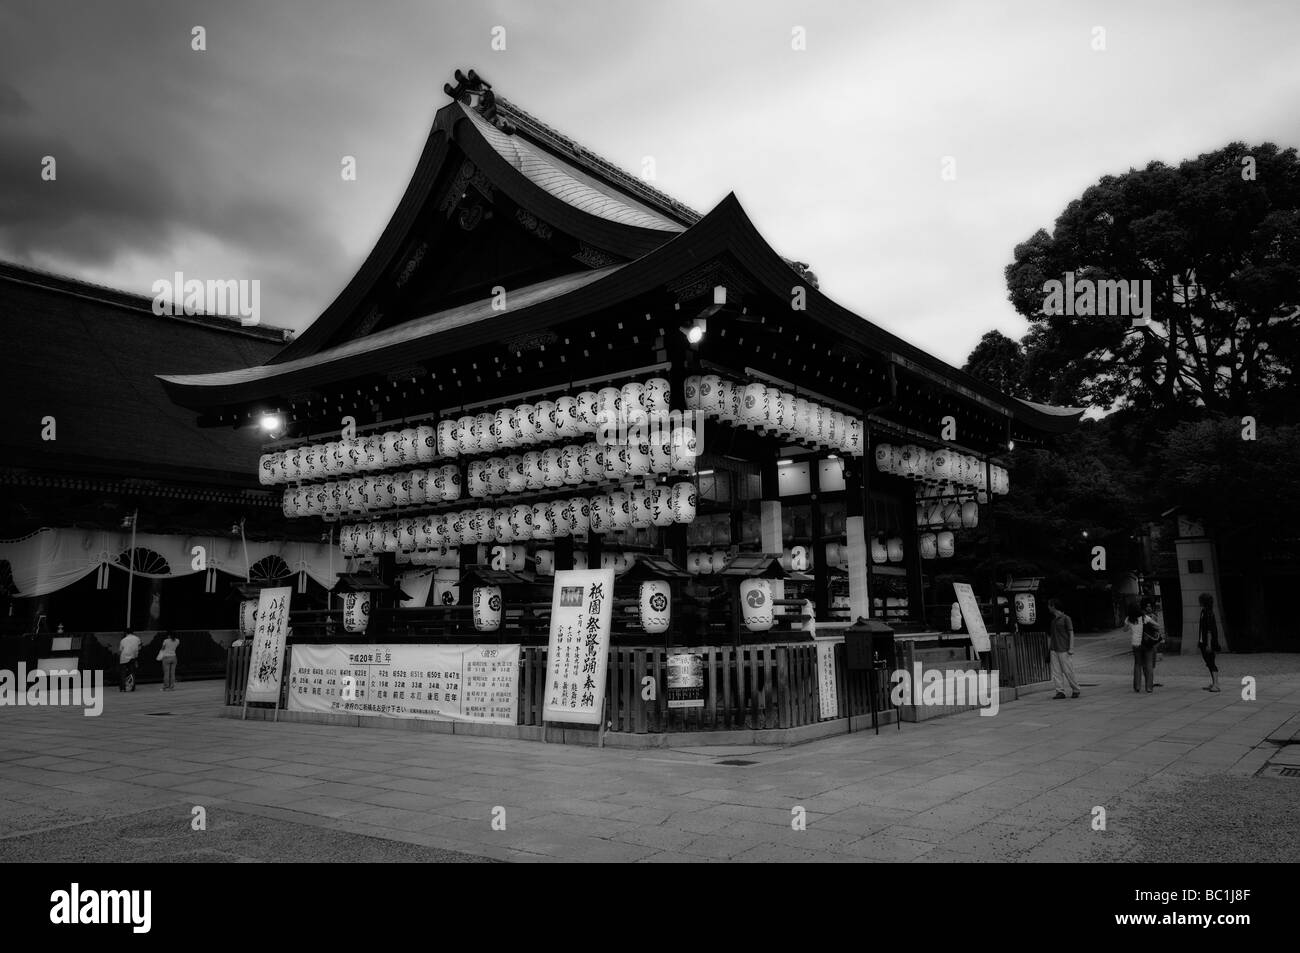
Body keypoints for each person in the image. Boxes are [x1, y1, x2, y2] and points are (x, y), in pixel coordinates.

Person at [1047, 598, 1080, 699]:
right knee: (1056, 672)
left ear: (1053, 606)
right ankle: (1059, 691)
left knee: (1068, 670)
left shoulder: (1066, 618)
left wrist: (1071, 648)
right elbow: (1052, 636)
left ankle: (1075, 689)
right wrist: (1049, 649)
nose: (1048, 607)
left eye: (1049, 605)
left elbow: (1071, 633)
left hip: (1064, 649)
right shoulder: (1053, 621)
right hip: (1054, 649)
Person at [1125, 603, 1155, 693]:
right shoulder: (1144, 617)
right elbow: (1156, 625)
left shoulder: (1129, 618)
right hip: (1146, 643)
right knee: (1149, 664)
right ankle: (1149, 687)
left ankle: (1137, 686)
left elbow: (1125, 629)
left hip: (1135, 644)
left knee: (1137, 664)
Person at [1198, 593, 1221, 692]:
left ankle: (1216, 684)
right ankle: (1213, 682)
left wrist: (1208, 644)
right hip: (1204, 641)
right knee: (1209, 662)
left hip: (1208, 642)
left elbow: (1209, 630)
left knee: (1211, 662)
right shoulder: (1204, 611)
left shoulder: (1208, 613)